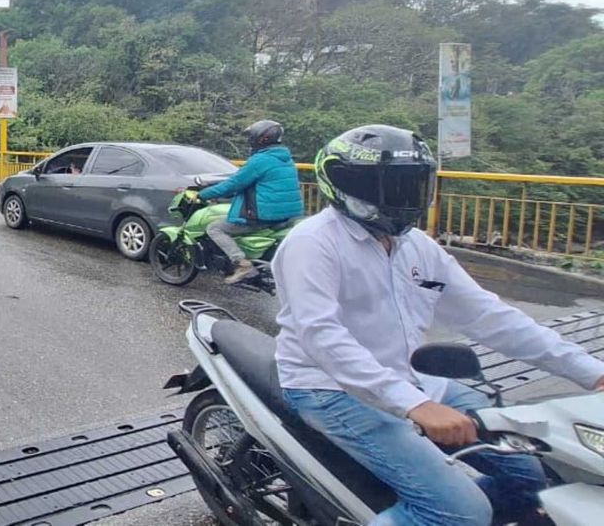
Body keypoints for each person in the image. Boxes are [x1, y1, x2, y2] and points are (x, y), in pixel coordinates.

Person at [274, 124, 604, 526]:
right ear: (346, 185)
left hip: (408, 379)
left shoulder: (418, 246)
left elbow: (488, 315)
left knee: (530, 475)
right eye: (392, 187)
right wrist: (416, 404)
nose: (406, 199)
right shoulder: (313, 242)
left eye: (413, 185)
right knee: (459, 511)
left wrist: (591, 373)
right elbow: (321, 336)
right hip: (329, 388)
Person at [197, 120, 304, 284]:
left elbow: (234, 183)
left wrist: (203, 194)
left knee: (215, 228)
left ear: (261, 139)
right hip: (287, 215)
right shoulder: (285, 158)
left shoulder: (261, 160)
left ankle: (241, 263)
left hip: (265, 217)